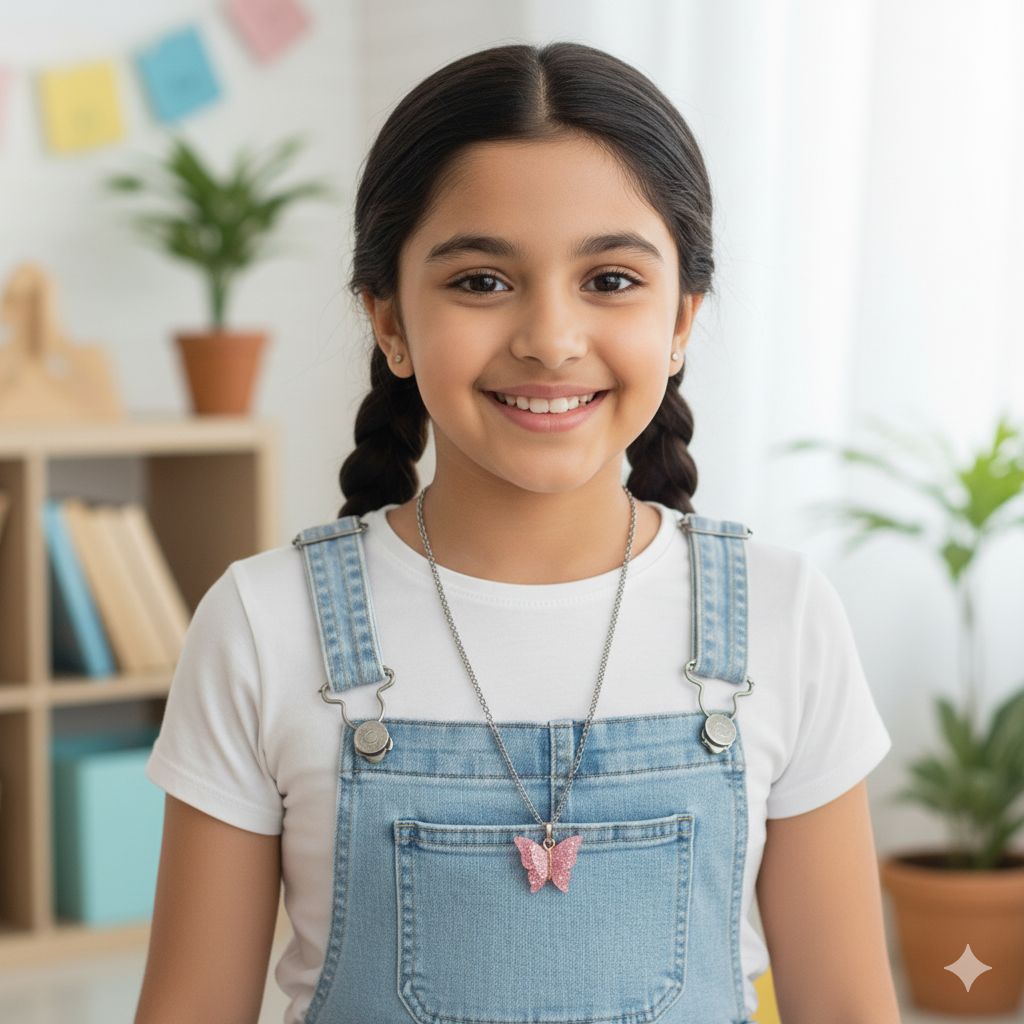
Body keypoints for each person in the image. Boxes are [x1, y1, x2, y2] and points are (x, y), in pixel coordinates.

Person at [134, 42, 900, 1024]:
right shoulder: (260, 622)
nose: (549, 336)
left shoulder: (784, 616)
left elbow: (846, 1006)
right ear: (388, 319)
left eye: (611, 279)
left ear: (682, 319)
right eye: (482, 282)